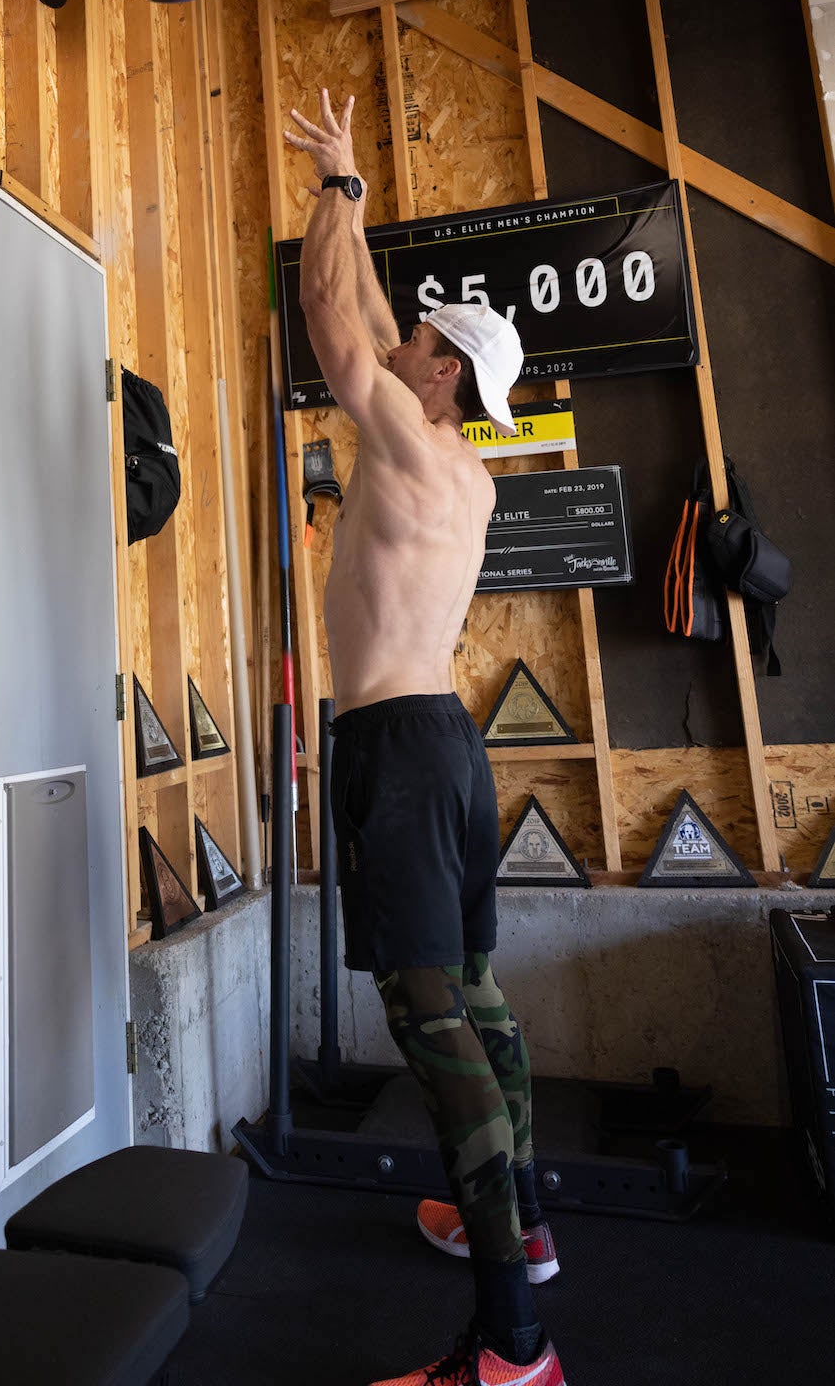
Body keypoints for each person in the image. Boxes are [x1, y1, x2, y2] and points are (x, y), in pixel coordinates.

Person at [284, 88, 565, 1386]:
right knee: (482, 1005)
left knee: (432, 1029)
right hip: (448, 747)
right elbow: (389, 329)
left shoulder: (398, 430)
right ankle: (512, 1220)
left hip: (395, 752)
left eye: (422, 350)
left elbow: (338, 322)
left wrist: (335, 195)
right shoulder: (462, 468)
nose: (401, 354)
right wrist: (352, 175)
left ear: (439, 372)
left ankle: (510, 1344)